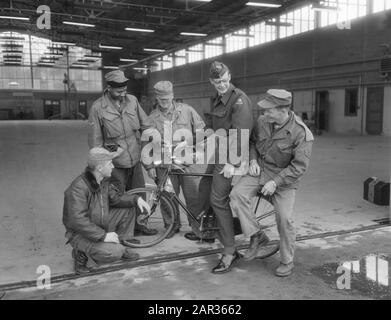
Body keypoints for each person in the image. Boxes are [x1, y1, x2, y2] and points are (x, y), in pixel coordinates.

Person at [230, 89, 314, 277]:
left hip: (284, 181)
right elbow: (253, 142)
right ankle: (256, 235)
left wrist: (275, 183)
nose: (264, 113)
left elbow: (299, 167)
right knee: (237, 195)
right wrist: (252, 160)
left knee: (284, 219)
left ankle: (287, 260)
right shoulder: (263, 122)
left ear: (283, 110)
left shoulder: (301, 133)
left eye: (269, 110)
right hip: (261, 171)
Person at [88, 69, 157, 237]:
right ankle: (124, 232)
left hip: (135, 158)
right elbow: (96, 142)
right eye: (119, 91)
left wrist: (154, 138)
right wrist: (105, 160)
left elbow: (145, 124)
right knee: (119, 197)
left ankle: (141, 225)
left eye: (125, 89)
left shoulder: (132, 101)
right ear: (109, 88)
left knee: (139, 192)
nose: (123, 93)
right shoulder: (98, 108)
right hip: (115, 163)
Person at [63, 147, 151, 274]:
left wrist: (136, 199)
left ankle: (120, 245)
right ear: (99, 167)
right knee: (114, 253)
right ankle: (80, 254)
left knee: (129, 207)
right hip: (79, 234)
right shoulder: (78, 189)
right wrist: (103, 236)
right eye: (110, 164)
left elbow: (116, 199)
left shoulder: (102, 180)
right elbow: (77, 221)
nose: (113, 167)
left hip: (98, 223)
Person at [147, 81, 214, 242]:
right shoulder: (151, 118)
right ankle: (171, 225)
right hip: (164, 164)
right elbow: (147, 143)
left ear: (173, 96)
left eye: (167, 98)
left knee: (194, 196)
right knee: (167, 195)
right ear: (156, 98)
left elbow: (202, 133)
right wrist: (149, 165)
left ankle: (198, 228)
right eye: (161, 99)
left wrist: (197, 150)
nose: (165, 102)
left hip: (188, 162)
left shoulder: (187, 111)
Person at [205, 61, 253, 274]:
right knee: (204, 188)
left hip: (230, 158)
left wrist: (231, 164)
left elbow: (241, 135)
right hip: (218, 153)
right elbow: (214, 127)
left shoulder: (239, 99)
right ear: (211, 81)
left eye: (224, 80)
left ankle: (229, 251)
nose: (222, 84)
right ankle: (209, 230)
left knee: (218, 200)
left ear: (230, 76)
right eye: (217, 81)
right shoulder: (217, 97)